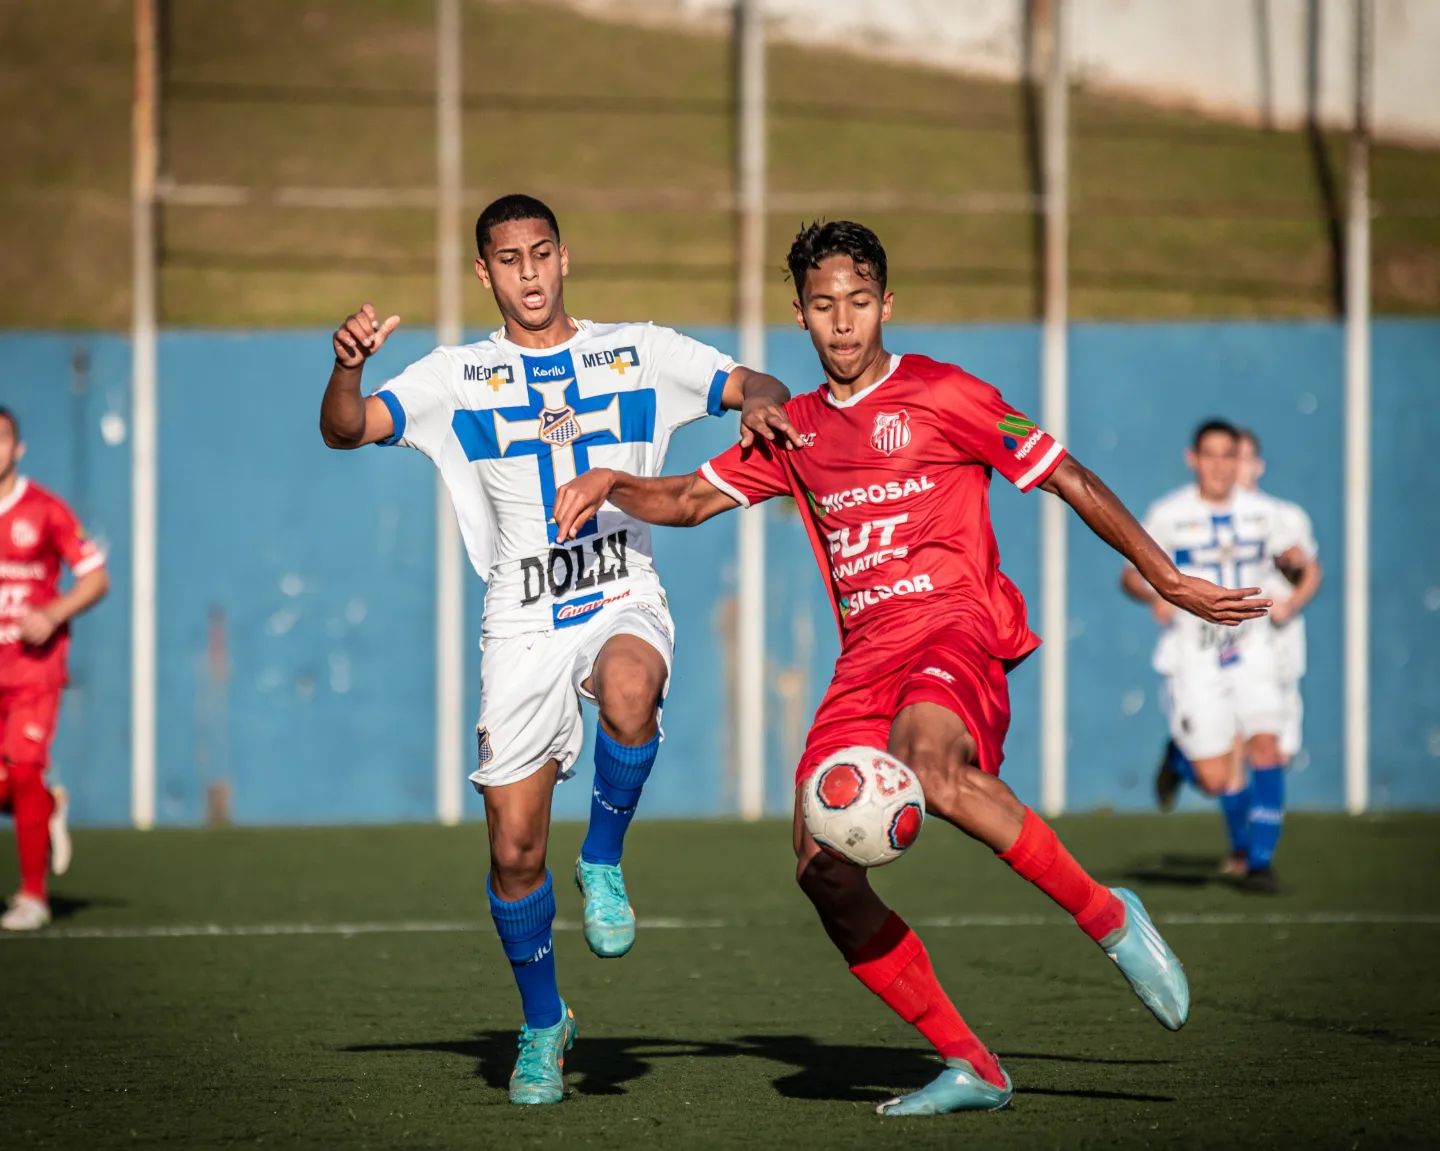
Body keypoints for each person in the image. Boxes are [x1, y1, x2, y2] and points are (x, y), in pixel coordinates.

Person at [551, 220, 1268, 1115]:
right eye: (823, 306)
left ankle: (1107, 915)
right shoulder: (796, 428)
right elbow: (692, 498)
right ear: (801, 316)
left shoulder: (947, 392)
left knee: (932, 767)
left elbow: (1067, 474)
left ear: (886, 303)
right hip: (867, 658)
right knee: (818, 861)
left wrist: (1166, 575)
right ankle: (974, 1064)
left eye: (858, 301)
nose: (843, 322)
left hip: (956, 625)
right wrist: (612, 479)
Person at [319, 194, 794, 1105]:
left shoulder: (641, 350)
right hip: (522, 619)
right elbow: (348, 429)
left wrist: (760, 409)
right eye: (508, 258)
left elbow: (755, 384)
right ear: (483, 273)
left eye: (541, 253)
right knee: (513, 851)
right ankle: (544, 1024)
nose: (528, 273)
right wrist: (347, 369)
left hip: (621, 586)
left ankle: (606, 858)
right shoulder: (455, 376)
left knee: (629, 687)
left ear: (565, 258)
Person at [1124, 421, 1303, 894]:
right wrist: (1153, 593)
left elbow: (1301, 562)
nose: (1220, 465)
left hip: (1255, 646)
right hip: (1195, 653)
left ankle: (1258, 860)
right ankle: (1184, 762)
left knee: (1267, 744)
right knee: (1215, 774)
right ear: (1193, 459)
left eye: (1229, 455)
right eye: (1211, 455)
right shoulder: (1167, 514)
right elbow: (1131, 575)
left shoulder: (1267, 513)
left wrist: (1295, 571)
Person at [0, 405, 109, 931]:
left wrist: (52, 612)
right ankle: (46, 806)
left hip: (31, 670)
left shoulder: (45, 510)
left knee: (22, 768)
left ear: (17, 449)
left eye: (1, 439)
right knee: (20, 787)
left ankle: (32, 897)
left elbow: (95, 578)